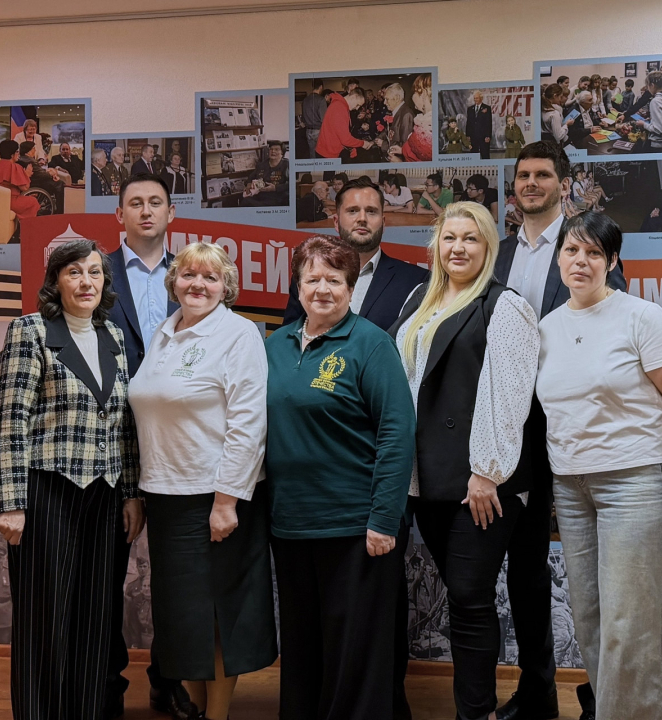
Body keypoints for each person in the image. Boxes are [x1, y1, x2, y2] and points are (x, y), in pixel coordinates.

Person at [537, 211, 662, 719]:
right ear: (558, 258)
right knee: (590, 619)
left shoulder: (641, 317)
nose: (580, 261)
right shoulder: (546, 328)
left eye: (593, 253)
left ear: (611, 262)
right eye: (571, 250)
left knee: (632, 624)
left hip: (637, 482)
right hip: (571, 488)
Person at [494, 140, 626, 720]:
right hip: (511, 430)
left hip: (576, 429)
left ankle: (604, 694)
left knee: (593, 567)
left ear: (564, 185)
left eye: (543, 175)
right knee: (525, 568)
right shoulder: (496, 253)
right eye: (523, 175)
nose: (531, 183)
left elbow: (608, 329)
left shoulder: (584, 246)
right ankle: (537, 691)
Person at [392, 201, 539, 720]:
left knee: (471, 597)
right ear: (436, 245)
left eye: (470, 238)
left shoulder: (504, 306)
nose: (458, 248)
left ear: (489, 247)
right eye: (449, 238)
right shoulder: (418, 298)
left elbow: (510, 397)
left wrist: (486, 473)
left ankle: (476, 713)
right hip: (426, 477)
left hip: (480, 482)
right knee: (461, 595)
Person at [266, 235, 415, 719]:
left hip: (356, 527)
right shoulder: (275, 345)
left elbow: (397, 434)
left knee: (355, 656)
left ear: (351, 288)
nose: (323, 289)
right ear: (297, 286)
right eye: (313, 279)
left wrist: (384, 519)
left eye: (335, 279)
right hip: (290, 525)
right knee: (304, 650)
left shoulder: (371, 344)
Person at [0, 240, 143, 720]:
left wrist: (131, 493)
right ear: (56, 281)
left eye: (95, 272)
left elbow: (124, 421)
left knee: (96, 617)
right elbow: (11, 420)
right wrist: (12, 502)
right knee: (46, 619)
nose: (86, 282)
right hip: (47, 494)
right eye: (74, 272)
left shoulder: (112, 335)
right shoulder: (31, 331)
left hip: (106, 495)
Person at [129, 242, 276, 720]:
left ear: (225, 287)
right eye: (189, 274)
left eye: (210, 277)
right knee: (184, 621)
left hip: (215, 497)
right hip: (166, 497)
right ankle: (195, 709)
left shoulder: (238, 334)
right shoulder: (163, 332)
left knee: (216, 617)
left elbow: (248, 423)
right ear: (173, 282)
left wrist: (226, 500)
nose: (198, 284)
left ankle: (218, 715)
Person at [105, 173, 196, 718]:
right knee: (107, 571)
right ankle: (109, 683)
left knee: (176, 575)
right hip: (111, 440)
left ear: (170, 213)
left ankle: (169, 675)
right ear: (119, 215)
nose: (145, 211)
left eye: (155, 202)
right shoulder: (96, 273)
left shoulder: (192, 274)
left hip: (176, 442)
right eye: (135, 203)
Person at [283, 176, 428, 332]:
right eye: (352, 211)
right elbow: (289, 339)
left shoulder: (417, 281)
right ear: (336, 222)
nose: (362, 219)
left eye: (371, 211)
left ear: (383, 223)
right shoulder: (307, 276)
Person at [0, 140, 40, 221]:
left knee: (28, 198)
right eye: (17, 151)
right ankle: (26, 225)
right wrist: (27, 175)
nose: (18, 154)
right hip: (9, 201)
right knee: (33, 201)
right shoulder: (14, 166)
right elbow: (25, 187)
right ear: (12, 154)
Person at [629, 71, 662, 152]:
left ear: (652, 85)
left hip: (661, 144)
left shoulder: (656, 101)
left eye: (647, 86)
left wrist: (643, 124)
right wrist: (653, 119)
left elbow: (659, 129)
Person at [316, 88, 372, 160]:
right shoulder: (340, 108)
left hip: (327, 150)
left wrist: (351, 147)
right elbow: (345, 140)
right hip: (327, 154)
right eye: (358, 105)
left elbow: (339, 133)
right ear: (353, 97)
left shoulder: (339, 105)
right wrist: (362, 143)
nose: (357, 108)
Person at [241, 142, 289, 207]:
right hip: (261, 194)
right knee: (245, 201)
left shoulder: (287, 165)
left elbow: (292, 184)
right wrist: (248, 184)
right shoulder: (262, 165)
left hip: (278, 196)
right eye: (271, 149)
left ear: (282, 153)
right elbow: (251, 177)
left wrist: (275, 188)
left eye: (276, 149)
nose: (273, 151)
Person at [401, 73, 434, 162]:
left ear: (424, 94)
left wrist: (399, 163)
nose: (412, 96)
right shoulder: (425, 121)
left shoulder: (428, 129)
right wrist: (402, 150)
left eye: (414, 92)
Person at [384, 82, 415, 154]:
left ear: (397, 98)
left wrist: (383, 144)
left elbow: (405, 145)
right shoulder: (397, 111)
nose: (384, 102)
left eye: (387, 99)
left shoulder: (406, 114)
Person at [302, 78, 328, 158]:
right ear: (321, 87)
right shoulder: (321, 100)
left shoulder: (305, 100)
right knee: (323, 154)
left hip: (308, 131)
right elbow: (324, 119)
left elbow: (303, 118)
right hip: (319, 131)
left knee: (312, 155)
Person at [467, 90, 493, 159]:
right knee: (473, 155)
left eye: (477, 98)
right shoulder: (470, 109)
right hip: (473, 136)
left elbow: (489, 123)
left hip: (483, 137)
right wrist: (468, 135)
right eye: (474, 98)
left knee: (485, 155)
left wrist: (488, 136)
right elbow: (468, 123)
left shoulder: (487, 108)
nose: (475, 99)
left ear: (481, 98)